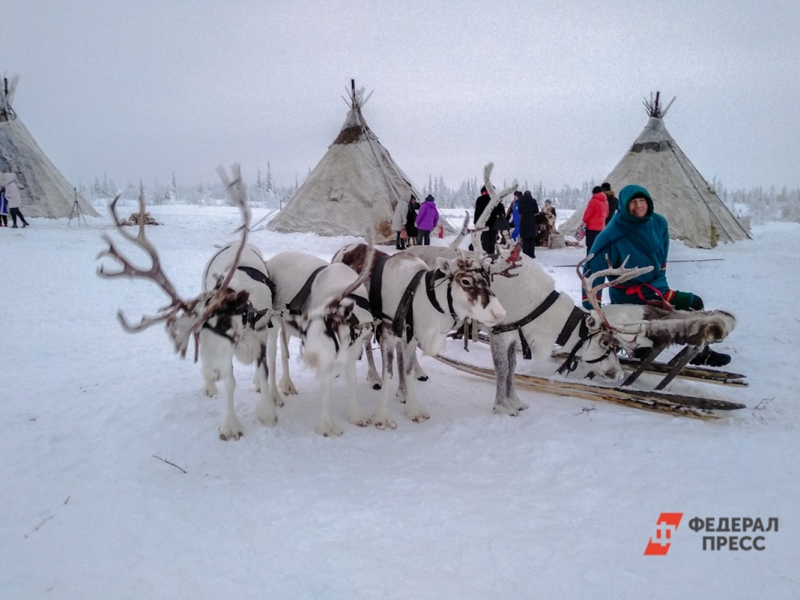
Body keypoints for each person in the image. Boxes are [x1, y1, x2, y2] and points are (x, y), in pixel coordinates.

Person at [582, 184, 731, 367]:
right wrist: (592, 308)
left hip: (657, 290)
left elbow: (661, 257)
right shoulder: (609, 235)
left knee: (695, 303)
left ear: (648, 202)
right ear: (623, 205)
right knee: (643, 340)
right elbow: (592, 270)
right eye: (633, 202)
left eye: (642, 200)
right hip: (628, 297)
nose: (638, 206)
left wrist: (661, 282)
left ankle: (700, 353)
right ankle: (638, 360)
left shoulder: (658, 223)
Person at [474, 185, 506, 254]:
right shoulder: (495, 200)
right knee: (492, 243)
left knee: (484, 242)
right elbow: (501, 212)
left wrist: (476, 223)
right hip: (494, 225)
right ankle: (491, 257)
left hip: (483, 225)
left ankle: (485, 258)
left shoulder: (480, 200)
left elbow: (477, 214)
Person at [582, 185, 608, 255]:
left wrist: (584, 220)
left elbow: (588, 213)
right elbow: (607, 214)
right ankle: (597, 261)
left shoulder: (593, 201)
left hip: (591, 227)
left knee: (590, 245)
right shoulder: (605, 201)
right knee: (598, 245)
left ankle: (589, 262)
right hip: (601, 227)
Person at [517, 190, 539, 258]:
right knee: (531, 239)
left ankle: (525, 254)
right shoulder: (533, 201)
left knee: (525, 238)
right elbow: (536, 210)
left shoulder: (520, 201)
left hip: (523, 220)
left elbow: (519, 210)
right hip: (532, 220)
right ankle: (532, 254)